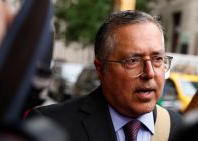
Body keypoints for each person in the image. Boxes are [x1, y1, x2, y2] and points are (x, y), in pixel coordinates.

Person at [27, 10, 183, 141]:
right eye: (133, 61)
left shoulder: (180, 130)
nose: (149, 73)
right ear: (101, 69)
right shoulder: (49, 126)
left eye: (157, 59)